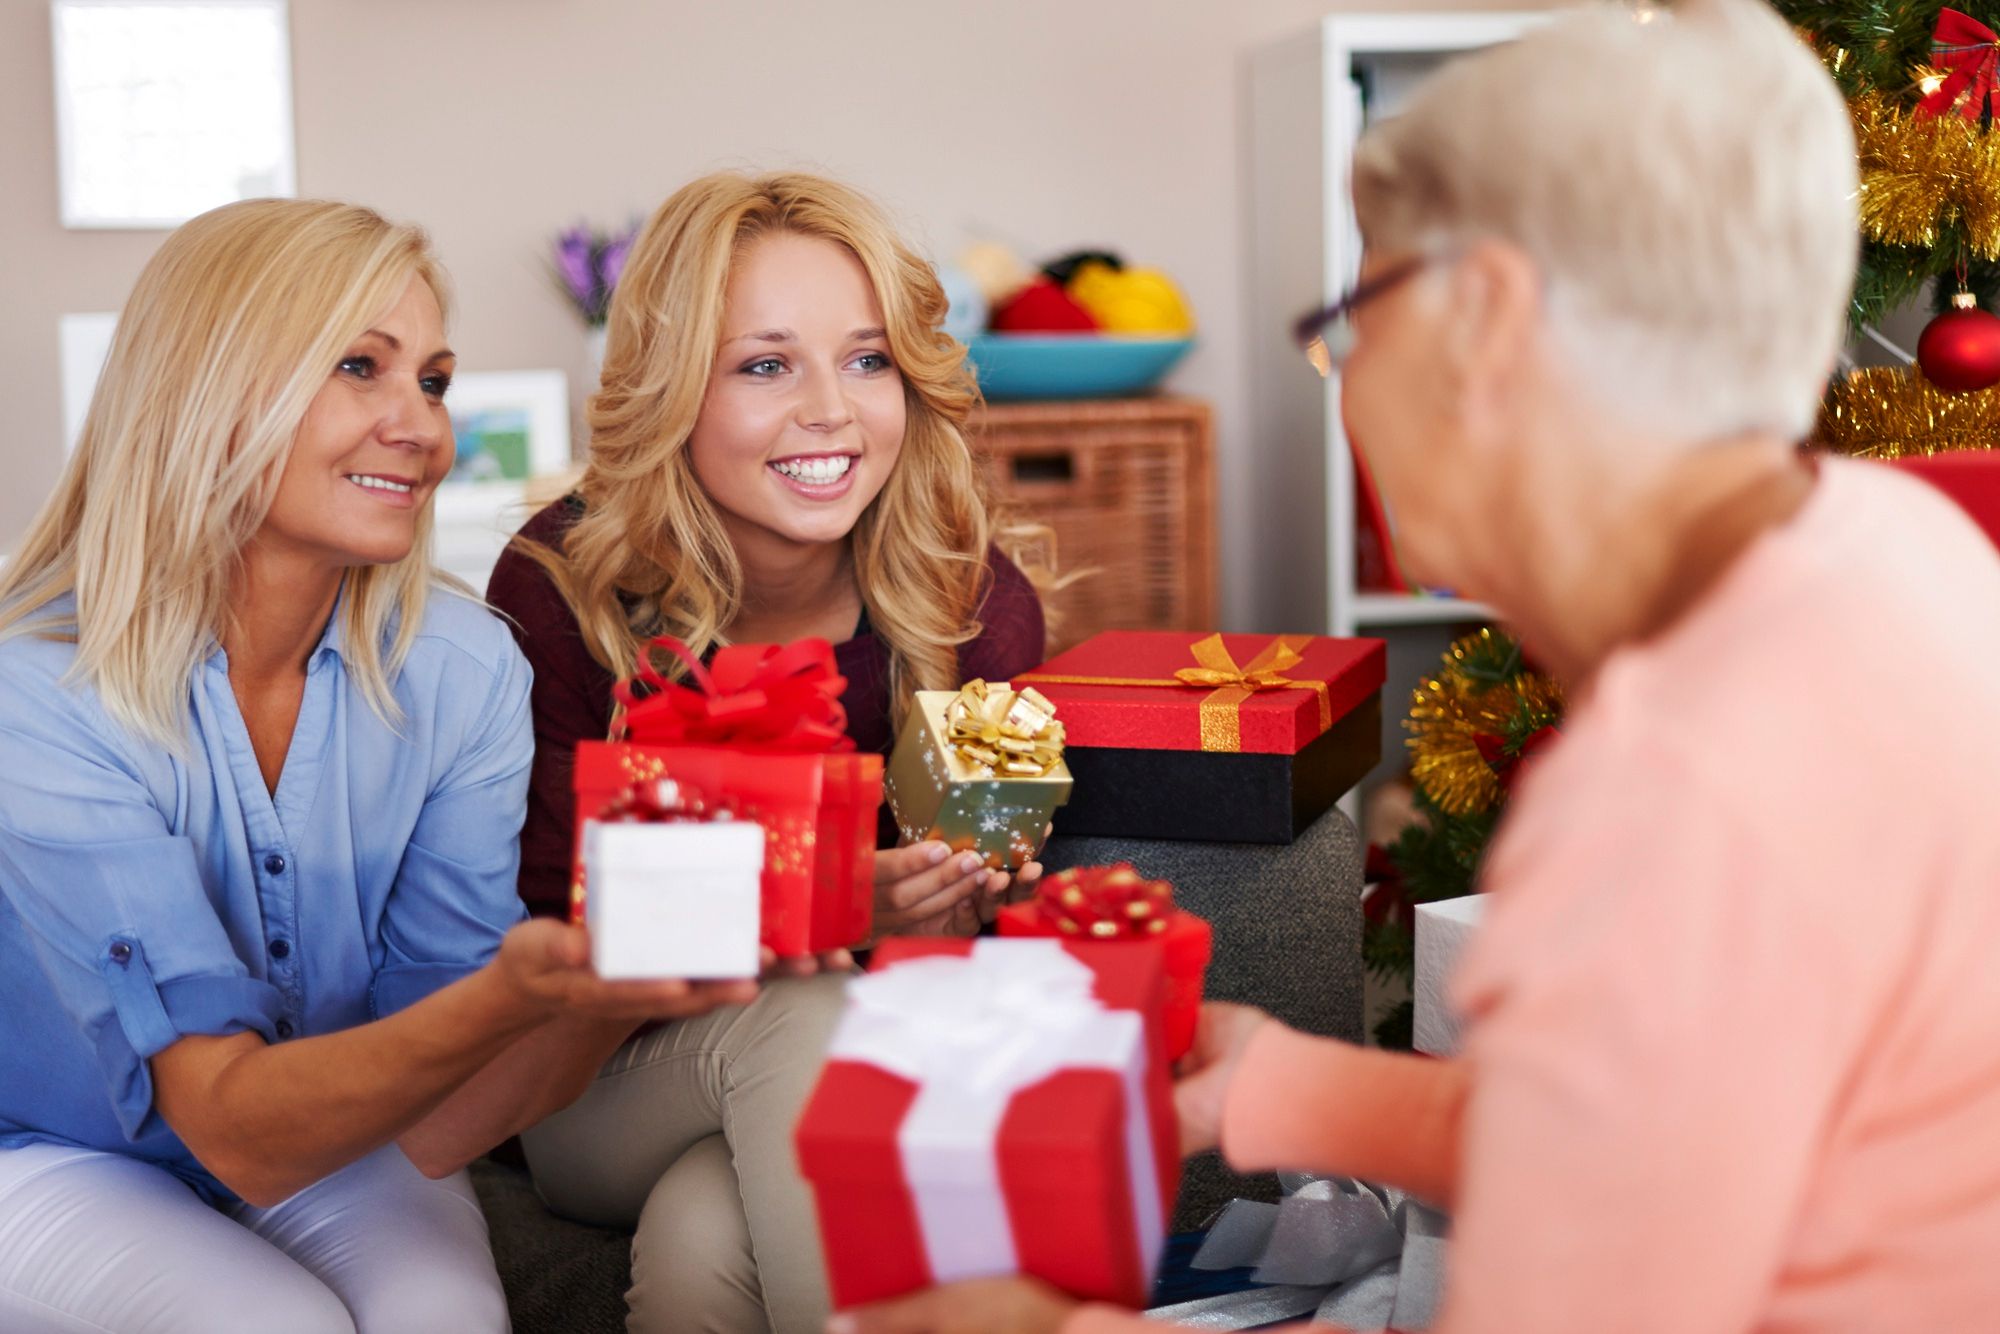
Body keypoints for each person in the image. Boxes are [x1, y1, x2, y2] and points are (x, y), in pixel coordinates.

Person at [836, 1, 2000, 1331]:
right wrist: (1275, 1089)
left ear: (1487, 322)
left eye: (1358, 311)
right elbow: (1643, 1115)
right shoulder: (1892, 539)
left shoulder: (1673, 791)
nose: (1346, 377)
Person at [0, 199, 763, 1334]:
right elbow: (233, 1125)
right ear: (207, 387)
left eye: (436, 381)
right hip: (52, 1150)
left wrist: (602, 996)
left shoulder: (462, 672)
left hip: (341, 1135)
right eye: (361, 366)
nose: (421, 425)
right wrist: (515, 991)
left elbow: (444, 1117)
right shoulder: (38, 695)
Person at [485, 171, 1052, 1332]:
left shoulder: (968, 600)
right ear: (671, 390)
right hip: (596, 1074)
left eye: (865, 358)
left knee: (704, 1238)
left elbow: (969, 944)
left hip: (849, 1067)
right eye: (762, 364)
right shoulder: (562, 593)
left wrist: (949, 906)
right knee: (800, 1016)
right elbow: (549, 936)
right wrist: (833, 908)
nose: (831, 413)